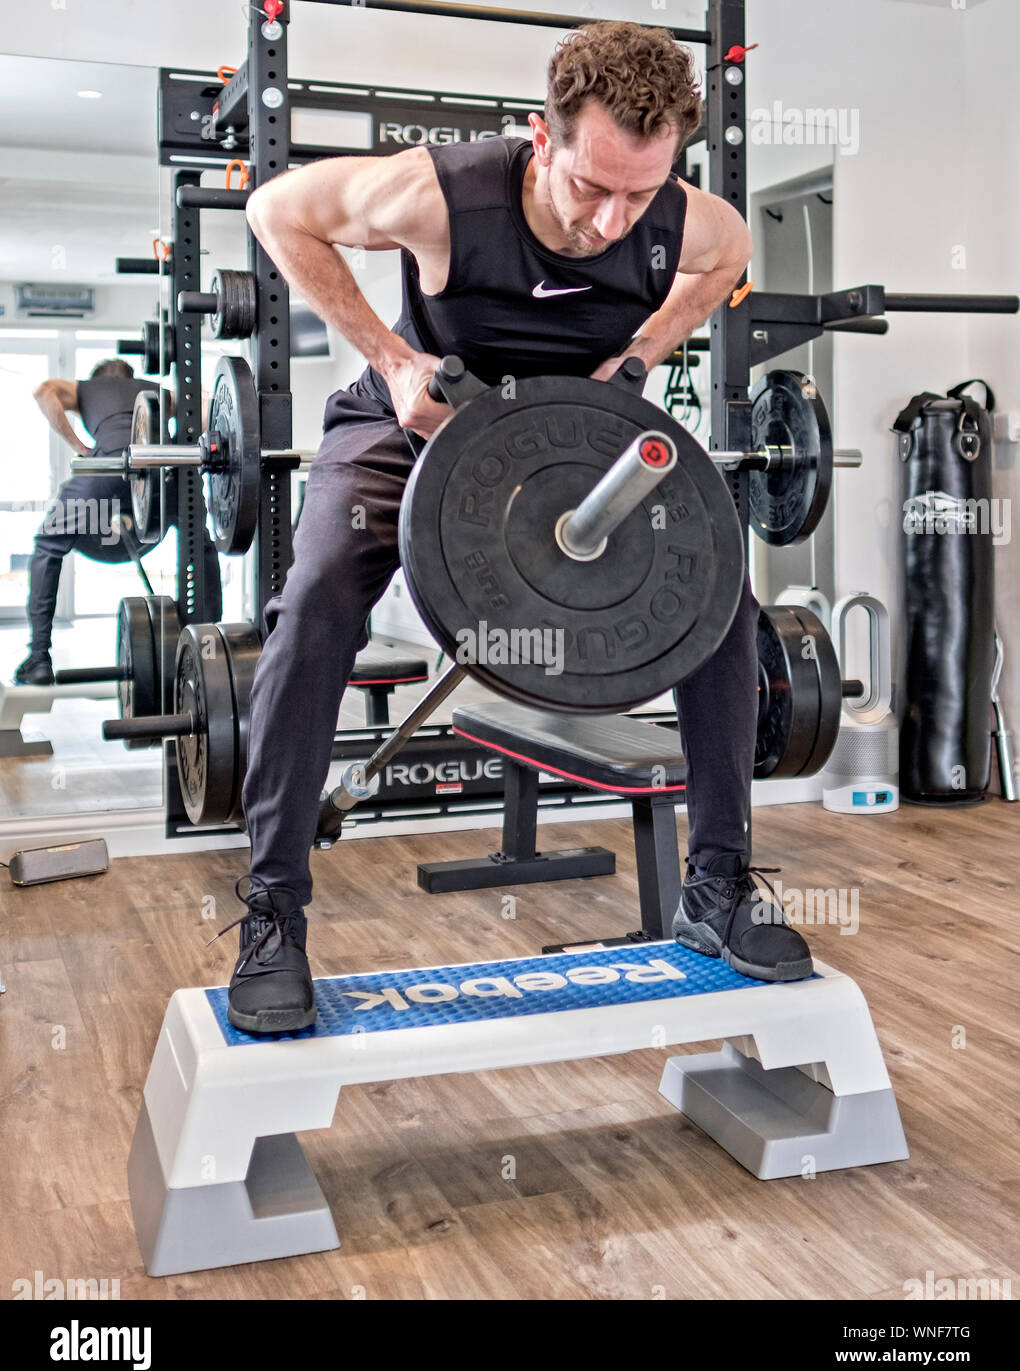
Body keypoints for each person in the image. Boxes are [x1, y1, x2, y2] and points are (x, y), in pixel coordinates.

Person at [227, 20, 813, 1035]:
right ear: (544, 138)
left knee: (715, 600)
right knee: (316, 597)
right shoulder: (444, 191)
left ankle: (715, 884)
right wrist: (389, 354)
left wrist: (638, 357)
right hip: (413, 425)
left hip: (566, 433)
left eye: (641, 192)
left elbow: (731, 258)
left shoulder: (682, 220)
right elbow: (277, 209)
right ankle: (273, 913)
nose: (613, 219)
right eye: (593, 188)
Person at [14, 358, 223, 684]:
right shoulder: (159, 393)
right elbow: (206, 406)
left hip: (108, 470)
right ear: (130, 377)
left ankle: (39, 657)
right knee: (198, 537)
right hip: (161, 476)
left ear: (96, 380)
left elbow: (44, 392)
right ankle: (208, 643)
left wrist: (81, 447)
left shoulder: (85, 388)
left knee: (48, 544)